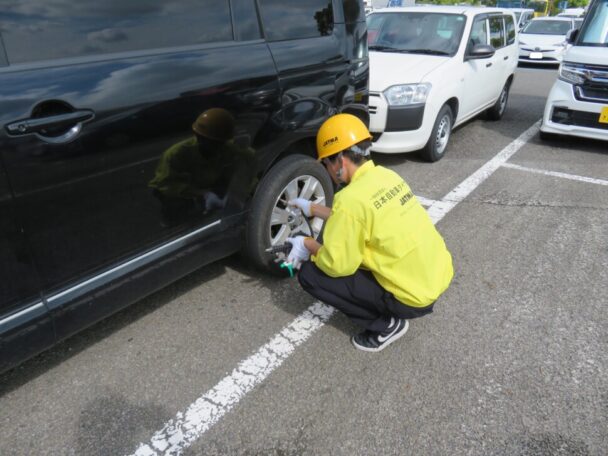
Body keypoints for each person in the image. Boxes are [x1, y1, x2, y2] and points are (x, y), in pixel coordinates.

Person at [286, 113, 453, 352]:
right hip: (435, 274)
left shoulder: (349, 200)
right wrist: (312, 208)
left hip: (412, 296)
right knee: (341, 241)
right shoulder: (386, 176)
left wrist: (306, 244)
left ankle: (386, 325)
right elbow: (361, 217)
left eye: (327, 163)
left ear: (340, 160)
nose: (328, 169)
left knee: (312, 274)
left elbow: (336, 265)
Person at [149, 108, 255, 225]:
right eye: (209, 142)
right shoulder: (176, 154)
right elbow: (164, 184)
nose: (216, 147)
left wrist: (243, 194)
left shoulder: (229, 150)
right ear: (198, 137)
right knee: (171, 202)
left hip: (210, 187)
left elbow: (248, 161)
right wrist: (203, 194)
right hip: (183, 194)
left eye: (219, 143)